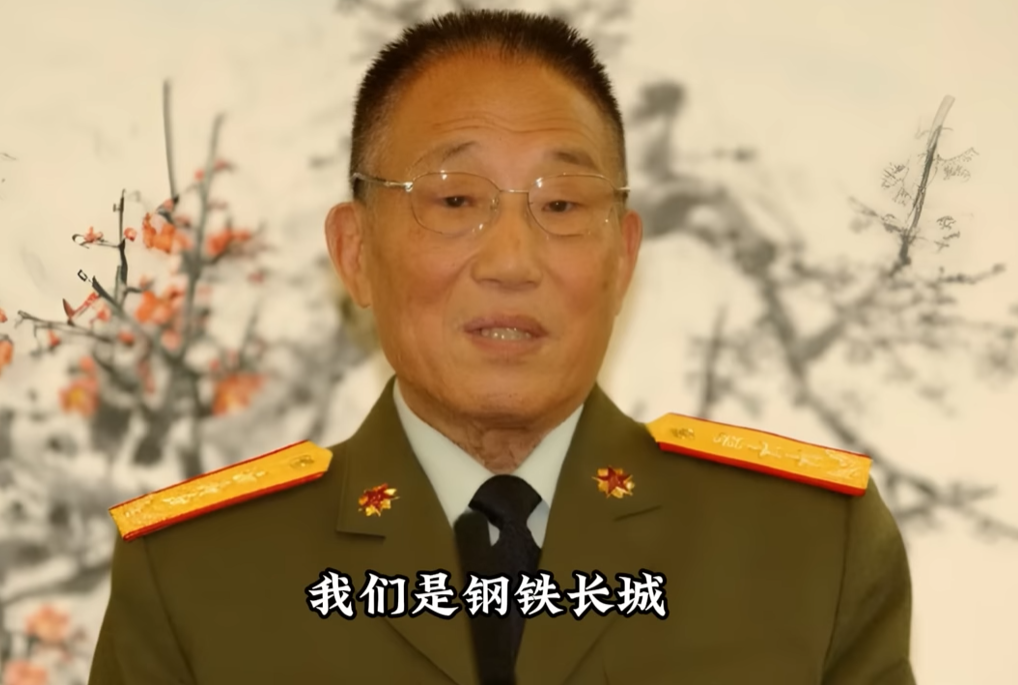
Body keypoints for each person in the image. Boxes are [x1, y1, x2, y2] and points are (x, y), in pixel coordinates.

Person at [88, 9, 915, 685]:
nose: (513, 261)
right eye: (454, 200)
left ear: (623, 257)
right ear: (355, 253)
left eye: (562, 205)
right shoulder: (197, 571)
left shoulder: (807, 548)